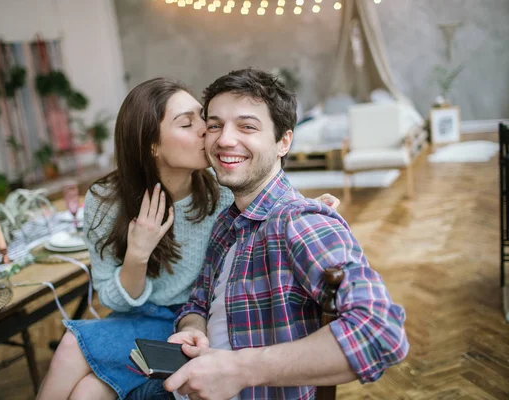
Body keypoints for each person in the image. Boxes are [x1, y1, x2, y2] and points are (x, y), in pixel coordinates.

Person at [36, 77, 339, 400]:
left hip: (194, 320)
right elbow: (112, 300)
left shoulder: (222, 185)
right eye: (187, 123)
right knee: (77, 364)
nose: (206, 132)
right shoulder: (107, 200)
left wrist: (306, 207)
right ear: (152, 145)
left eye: (202, 119)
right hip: (140, 317)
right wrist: (138, 254)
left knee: (87, 389)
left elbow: (265, 195)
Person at [165, 68, 409, 400]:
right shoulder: (227, 221)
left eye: (247, 126)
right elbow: (199, 299)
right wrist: (193, 328)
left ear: (283, 142)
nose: (224, 139)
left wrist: (239, 370)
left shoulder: (300, 221)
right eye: (215, 125)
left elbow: (379, 331)